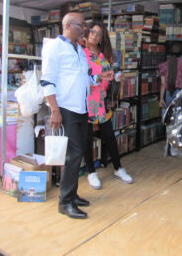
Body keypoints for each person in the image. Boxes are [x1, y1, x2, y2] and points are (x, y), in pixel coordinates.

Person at [40, 13, 113, 219]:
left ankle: (72, 194)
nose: (86, 30)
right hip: (66, 108)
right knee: (73, 154)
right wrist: (54, 109)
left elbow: (84, 76)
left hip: (82, 108)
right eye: (82, 25)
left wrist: (100, 77)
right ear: (68, 25)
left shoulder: (79, 50)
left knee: (78, 153)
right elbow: (47, 80)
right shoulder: (54, 47)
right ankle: (65, 202)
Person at [83, 22, 133, 190]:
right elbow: (82, 77)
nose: (94, 35)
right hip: (85, 100)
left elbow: (110, 73)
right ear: (87, 32)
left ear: (102, 37)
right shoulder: (81, 53)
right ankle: (91, 172)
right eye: (92, 31)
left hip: (101, 101)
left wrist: (117, 77)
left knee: (110, 136)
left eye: (98, 33)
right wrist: (101, 76)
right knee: (87, 138)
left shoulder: (104, 55)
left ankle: (118, 168)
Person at [159, 42, 182, 156]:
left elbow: (162, 84)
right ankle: (178, 148)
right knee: (179, 120)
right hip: (180, 93)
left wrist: (161, 98)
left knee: (169, 121)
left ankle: (168, 146)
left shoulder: (164, 65)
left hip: (168, 94)